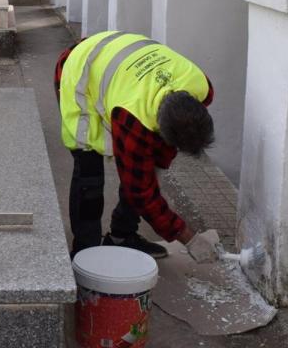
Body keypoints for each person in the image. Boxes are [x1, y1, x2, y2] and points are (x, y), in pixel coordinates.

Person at [55, 30, 215, 259]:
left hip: (117, 60)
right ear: (158, 129)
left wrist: (159, 165)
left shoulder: (200, 85)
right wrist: (189, 238)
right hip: (80, 70)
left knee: (145, 171)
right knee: (89, 172)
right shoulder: (132, 117)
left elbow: (156, 158)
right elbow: (140, 192)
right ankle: (85, 253)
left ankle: (122, 237)